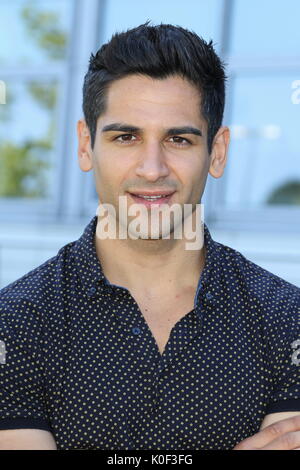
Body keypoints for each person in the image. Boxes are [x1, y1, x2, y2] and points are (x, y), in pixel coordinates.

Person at [0, 22, 299, 451]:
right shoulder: (15, 324)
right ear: (86, 146)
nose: (152, 168)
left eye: (178, 139)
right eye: (126, 137)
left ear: (217, 152)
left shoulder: (288, 320)